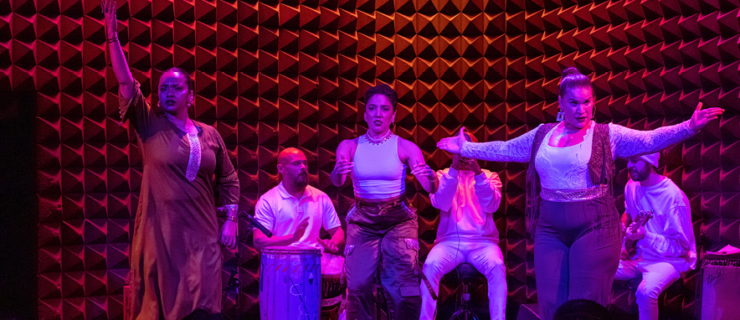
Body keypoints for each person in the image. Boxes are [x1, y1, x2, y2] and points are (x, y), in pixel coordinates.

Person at [436, 67, 723, 320]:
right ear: (560, 103)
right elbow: (505, 148)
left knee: (583, 307)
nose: (582, 110)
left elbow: (649, 138)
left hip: (595, 226)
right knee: (552, 305)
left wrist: (689, 127)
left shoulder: (607, 135)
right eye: (574, 103)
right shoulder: (542, 135)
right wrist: (466, 148)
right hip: (550, 228)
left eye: (587, 102)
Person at [102, 1, 241, 319]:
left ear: (191, 96)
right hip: (162, 237)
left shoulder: (210, 134)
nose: (167, 92)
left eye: (176, 88)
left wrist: (231, 219)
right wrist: (112, 38)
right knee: (162, 306)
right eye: (163, 88)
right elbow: (126, 82)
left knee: (204, 305)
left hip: (203, 236)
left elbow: (229, 179)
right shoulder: (149, 125)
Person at [331, 84, 438, 320]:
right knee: (357, 286)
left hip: (397, 220)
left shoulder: (405, 146)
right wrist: (338, 170)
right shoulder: (349, 146)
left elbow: (429, 186)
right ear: (365, 114)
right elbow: (338, 181)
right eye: (372, 108)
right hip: (362, 220)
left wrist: (432, 179)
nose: (378, 114)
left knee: (401, 288)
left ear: (393, 115)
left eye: (384, 109)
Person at [420, 132, 506, 320]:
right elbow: (440, 202)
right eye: (461, 148)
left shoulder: (491, 176)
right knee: (430, 265)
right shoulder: (443, 174)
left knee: (497, 265)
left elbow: (492, 205)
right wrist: (453, 168)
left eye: (469, 149)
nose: (465, 154)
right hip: (448, 243)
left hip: (483, 243)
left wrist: (477, 173)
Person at [614, 152, 696, 320]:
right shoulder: (631, 186)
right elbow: (628, 213)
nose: (629, 165)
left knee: (645, 292)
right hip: (639, 257)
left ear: (649, 161)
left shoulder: (672, 196)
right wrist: (624, 229)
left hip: (670, 260)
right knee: (594, 268)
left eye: (635, 160)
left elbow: (681, 247)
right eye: (629, 159)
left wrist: (645, 236)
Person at [252, 147, 345, 253]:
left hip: (313, 265)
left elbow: (337, 231)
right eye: (296, 163)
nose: (303, 167)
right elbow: (259, 241)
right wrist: (292, 238)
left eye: (305, 163)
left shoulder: (320, 197)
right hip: (281, 265)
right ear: (281, 169)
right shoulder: (268, 200)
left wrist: (334, 242)